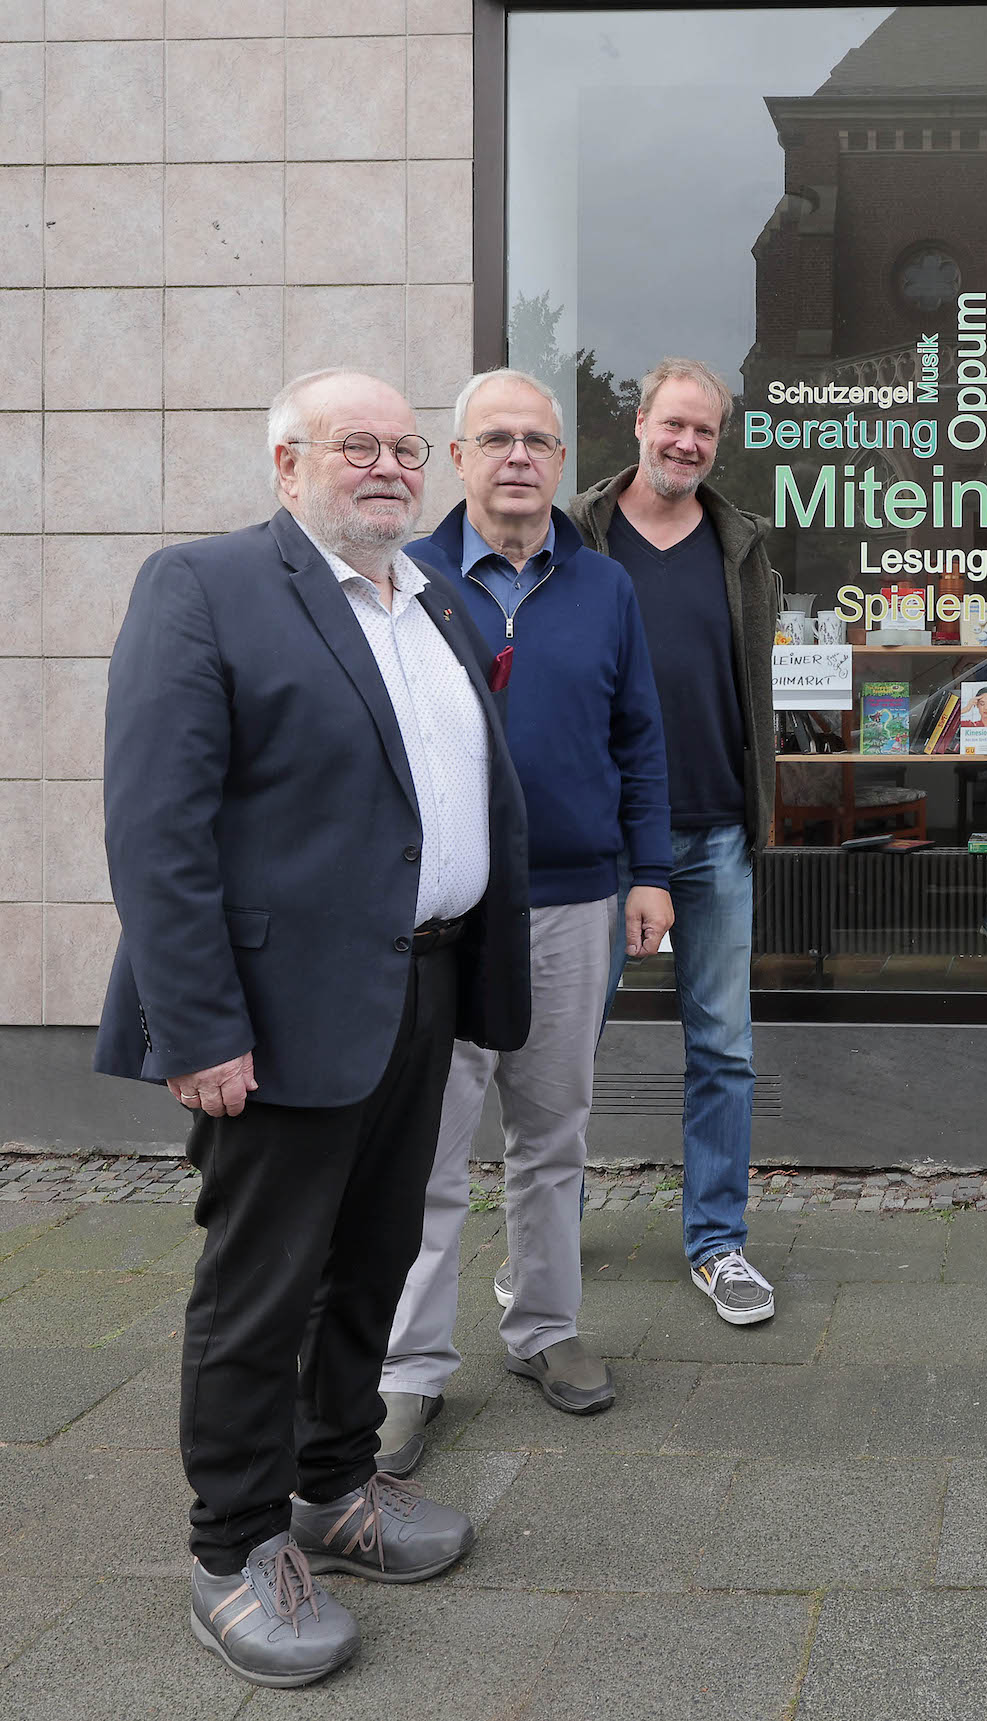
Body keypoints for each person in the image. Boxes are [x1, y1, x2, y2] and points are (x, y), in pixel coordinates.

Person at [95, 369, 532, 1688]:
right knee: (261, 1285)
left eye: (409, 447)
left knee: (378, 1253)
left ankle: (335, 1486)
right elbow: (155, 827)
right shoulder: (207, 588)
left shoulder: (433, 598)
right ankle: (232, 1549)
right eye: (361, 446)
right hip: (278, 1019)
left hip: (424, 986)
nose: (395, 465)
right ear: (287, 465)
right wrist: (198, 1024)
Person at [373, 369, 677, 1470]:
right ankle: (405, 1369)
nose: (516, 455)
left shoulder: (604, 592)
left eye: (536, 440)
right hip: (442, 916)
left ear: (561, 461)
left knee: (551, 1134)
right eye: (492, 437)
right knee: (430, 1147)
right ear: (454, 459)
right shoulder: (400, 582)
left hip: (572, 900)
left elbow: (640, 742)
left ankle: (544, 1329)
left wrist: (651, 870)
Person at [571, 357, 784, 1325]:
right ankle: (546, 1233)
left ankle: (716, 1242)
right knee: (564, 1048)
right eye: (673, 425)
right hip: (597, 843)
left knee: (723, 1049)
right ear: (638, 423)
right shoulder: (578, 539)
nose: (687, 443)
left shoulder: (739, 546)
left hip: (714, 835)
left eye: (704, 431)